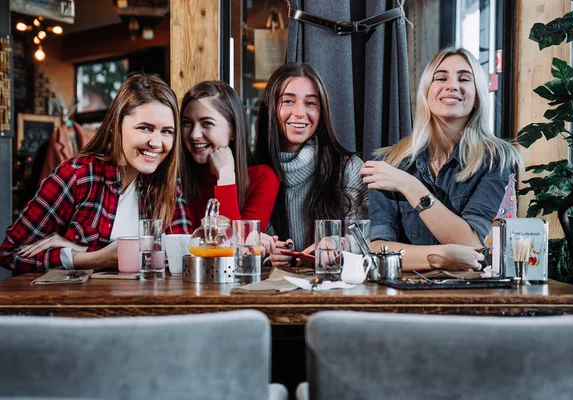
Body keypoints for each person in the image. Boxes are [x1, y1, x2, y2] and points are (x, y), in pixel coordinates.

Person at [0, 73, 192, 275]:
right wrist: (94, 258)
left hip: (144, 304)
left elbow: (181, 256)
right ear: (115, 127)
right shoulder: (76, 177)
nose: (156, 143)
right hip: (75, 305)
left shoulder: (165, 183)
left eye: (167, 131)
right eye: (145, 128)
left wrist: (82, 251)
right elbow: (9, 253)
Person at [361, 47, 522, 271]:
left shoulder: (497, 159)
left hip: (473, 295)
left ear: (477, 97)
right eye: (441, 78)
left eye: (464, 79)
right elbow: (376, 249)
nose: (452, 85)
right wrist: (436, 256)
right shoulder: (390, 162)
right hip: (404, 294)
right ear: (426, 92)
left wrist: (409, 185)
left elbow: (472, 246)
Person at [254, 63, 368, 267]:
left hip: (334, 292)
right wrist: (266, 257)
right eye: (288, 101)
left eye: (310, 103)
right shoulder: (254, 173)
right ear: (270, 108)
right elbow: (239, 244)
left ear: (321, 111)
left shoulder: (347, 168)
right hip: (271, 293)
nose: (299, 112)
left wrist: (338, 244)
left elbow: (367, 240)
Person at [179, 81, 279, 232]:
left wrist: (225, 178)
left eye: (207, 123)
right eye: (187, 123)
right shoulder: (176, 178)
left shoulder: (263, 177)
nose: (194, 134)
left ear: (233, 130)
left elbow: (236, 247)